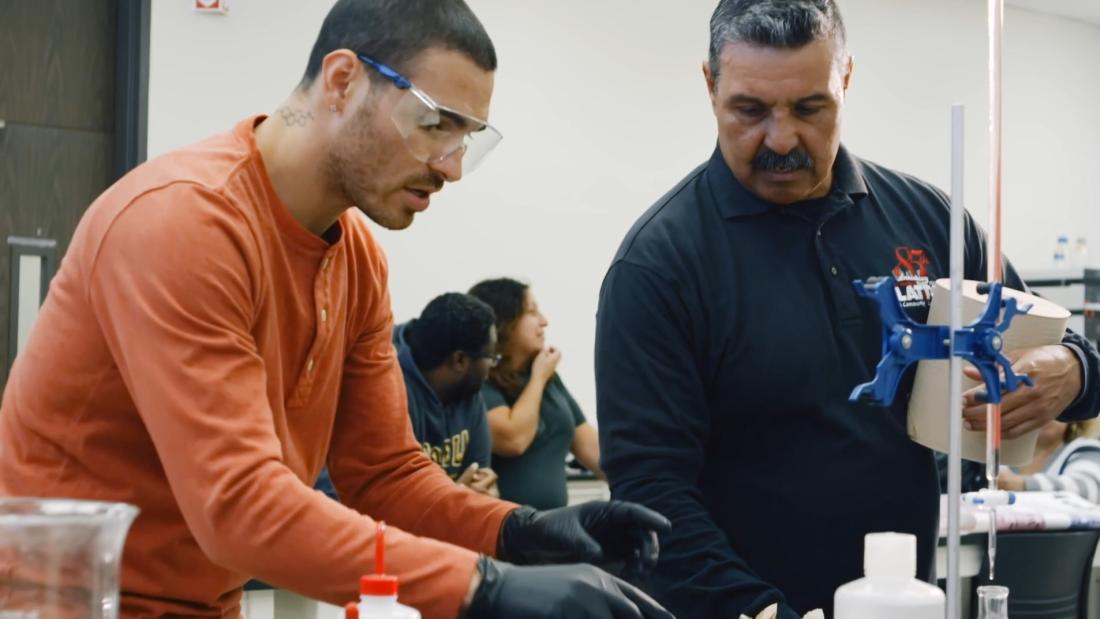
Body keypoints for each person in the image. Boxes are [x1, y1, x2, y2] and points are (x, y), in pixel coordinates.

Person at [0, 2, 675, 618]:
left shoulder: (356, 257)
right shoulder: (182, 221)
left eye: (468, 139)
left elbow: (385, 475)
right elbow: (238, 507)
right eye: (435, 124)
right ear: (344, 80)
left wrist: (519, 531)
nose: (452, 167)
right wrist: (484, 585)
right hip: (67, 602)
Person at [593, 1, 1100, 618]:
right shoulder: (659, 266)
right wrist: (756, 608)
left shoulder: (931, 222)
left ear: (847, 79)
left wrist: (1071, 371)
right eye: (749, 111)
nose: (781, 140)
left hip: (901, 600)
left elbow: (1062, 351)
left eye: (810, 108)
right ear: (710, 85)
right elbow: (652, 490)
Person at [469, 278, 604, 510]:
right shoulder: (480, 380)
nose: (544, 321)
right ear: (505, 322)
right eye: (532, 312)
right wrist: (538, 378)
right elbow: (513, 440)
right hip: (505, 534)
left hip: (554, 534)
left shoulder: (547, 377)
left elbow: (593, 450)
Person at [997, 419, 1100, 502]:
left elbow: (1089, 488)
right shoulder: (996, 451)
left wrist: (1020, 485)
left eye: (1053, 405)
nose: (1043, 415)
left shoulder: (1086, 448)